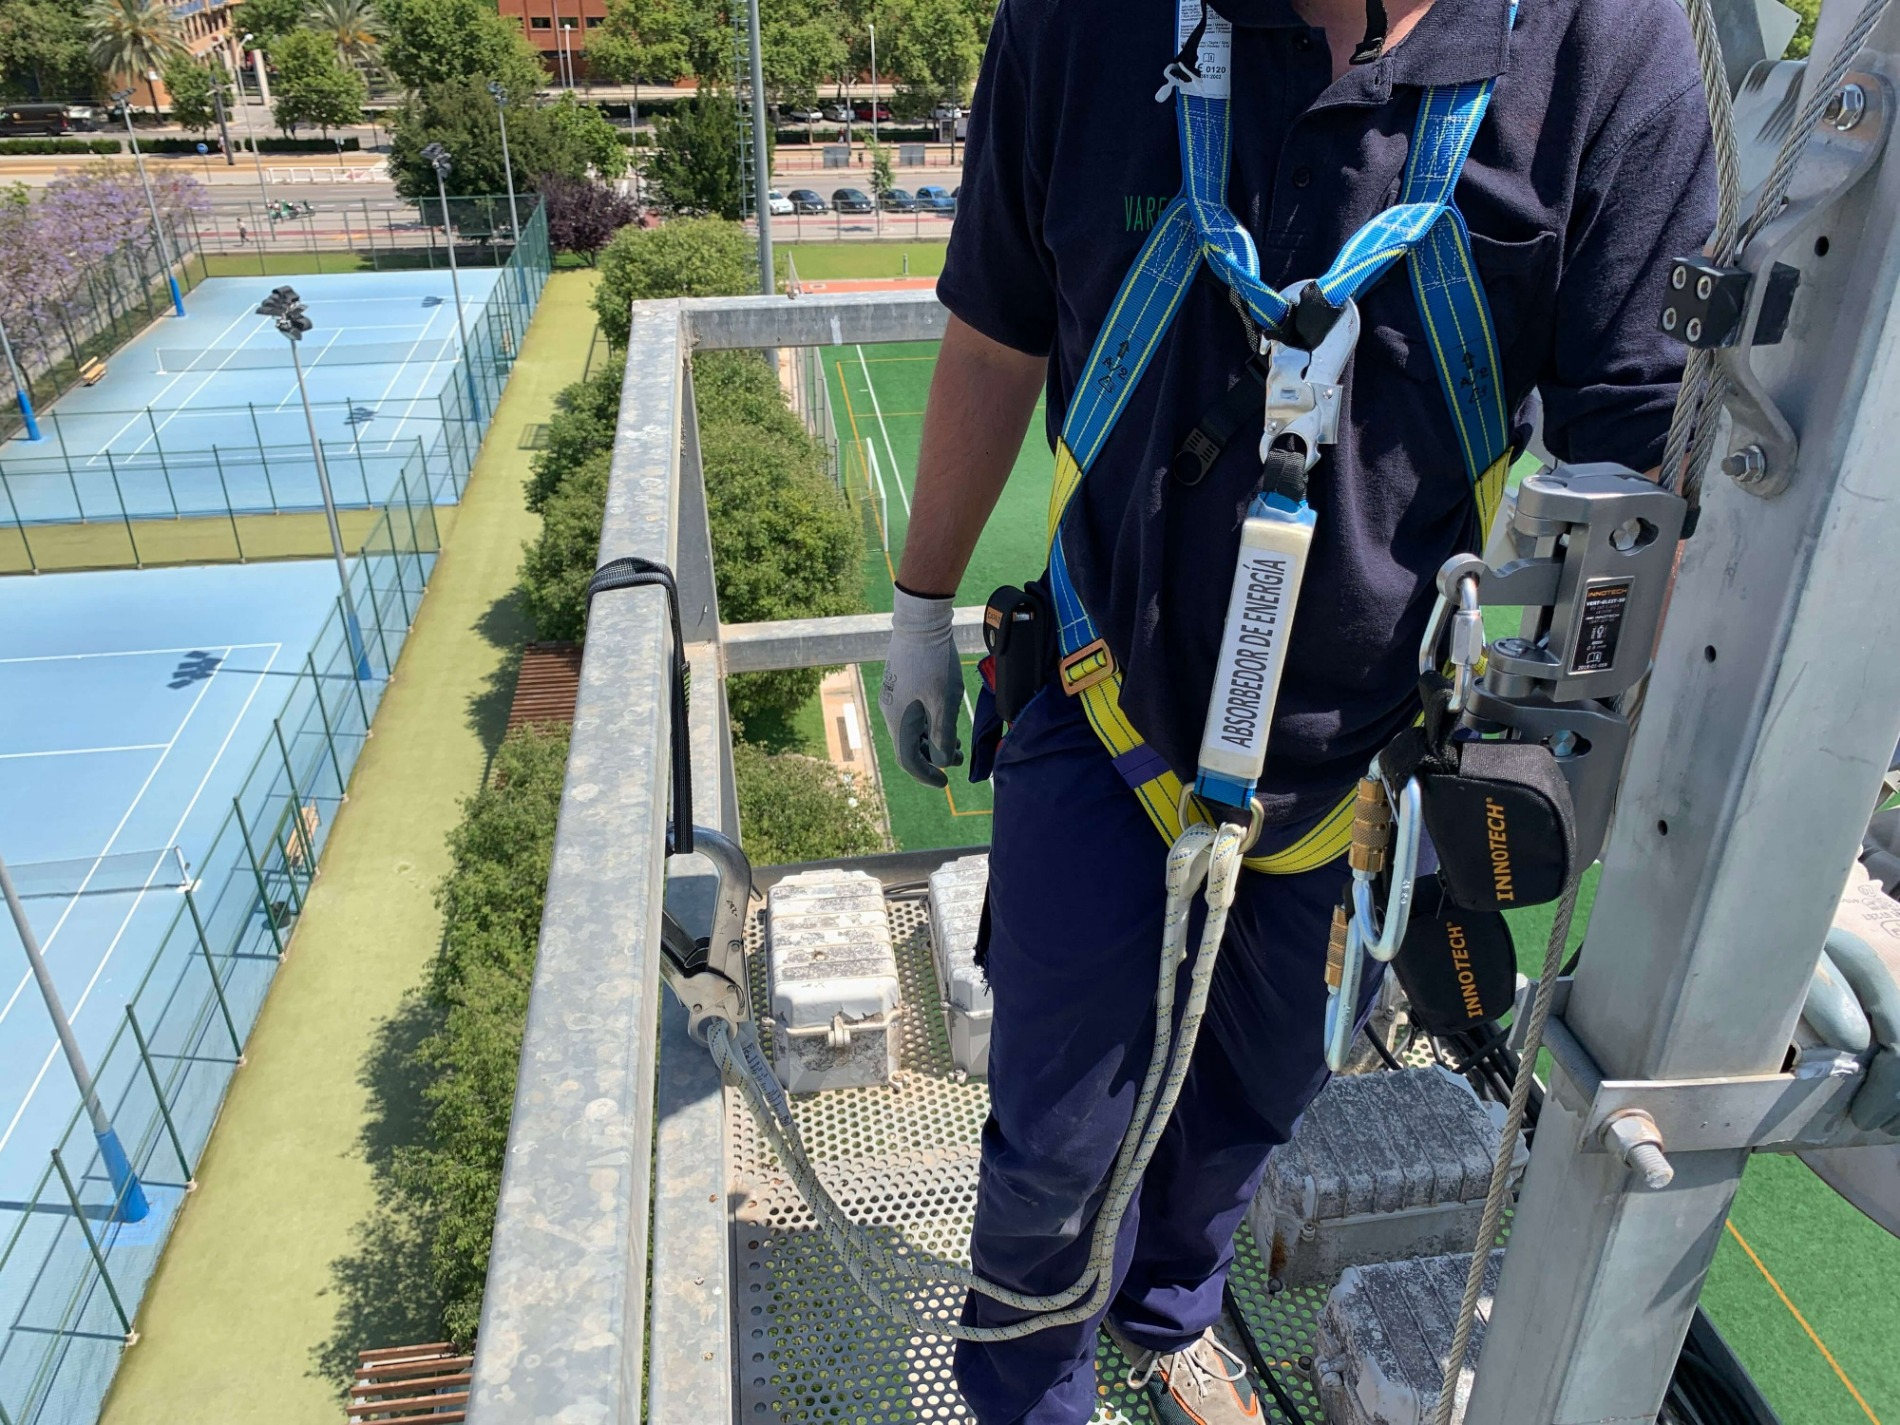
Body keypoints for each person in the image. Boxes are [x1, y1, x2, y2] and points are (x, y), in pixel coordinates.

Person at [877, 0, 1716, 1421]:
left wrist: (1628, 751)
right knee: (1057, 1144)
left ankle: (1166, 1312)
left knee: (1250, 1109)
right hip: (1106, 702)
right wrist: (919, 604)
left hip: (1363, 768)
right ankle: (1027, 1388)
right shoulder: (1086, 25)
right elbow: (999, 329)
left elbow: (1651, 453)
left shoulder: (1596, 55)